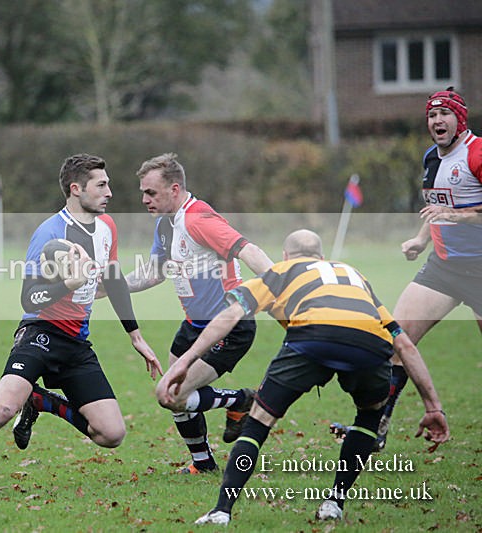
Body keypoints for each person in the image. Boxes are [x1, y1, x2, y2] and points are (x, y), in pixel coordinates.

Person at [158, 229, 450, 525]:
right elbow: (403, 344)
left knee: (258, 422)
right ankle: (334, 502)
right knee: (369, 416)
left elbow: (230, 316)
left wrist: (187, 360)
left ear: (285, 256)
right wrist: (433, 407)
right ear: (322, 257)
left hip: (312, 338)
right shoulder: (353, 275)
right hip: (369, 343)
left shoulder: (280, 271)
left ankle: (221, 510)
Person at [0, 153, 163, 501]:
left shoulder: (107, 226)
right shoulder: (49, 233)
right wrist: (67, 285)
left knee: (111, 434)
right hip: (40, 333)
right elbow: (28, 299)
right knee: (2, 409)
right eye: (102, 184)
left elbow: (114, 278)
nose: (110, 191)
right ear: (76, 189)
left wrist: (135, 335)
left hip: (77, 342)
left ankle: (43, 402)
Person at [333, 87, 481, 452]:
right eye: (431, 116)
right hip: (444, 269)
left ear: (460, 119)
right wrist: (421, 239)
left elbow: (450, 211)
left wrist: (453, 216)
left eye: (444, 114)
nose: (436, 121)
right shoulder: (432, 158)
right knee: (395, 341)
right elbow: (436, 207)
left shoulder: (477, 153)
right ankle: (375, 427)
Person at [125, 153, 273, 475]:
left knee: (170, 394)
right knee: (174, 393)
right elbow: (154, 273)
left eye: (151, 192)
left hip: (228, 326)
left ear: (174, 189)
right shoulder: (165, 225)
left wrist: (283, 284)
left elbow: (249, 251)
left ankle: (243, 401)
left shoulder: (198, 219)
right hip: (193, 325)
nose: (144, 199)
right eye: (143, 192)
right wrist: (110, 287)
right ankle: (203, 463)